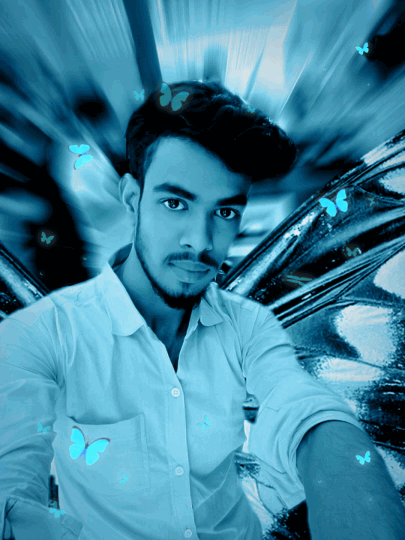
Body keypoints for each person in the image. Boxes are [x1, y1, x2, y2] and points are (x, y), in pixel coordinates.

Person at [0, 81, 403, 540]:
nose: (201, 241)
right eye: (175, 203)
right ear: (132, 199)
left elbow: (309, 414)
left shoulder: (250, 326)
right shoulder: (42, 335)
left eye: (225, 212)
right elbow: (12, 480)